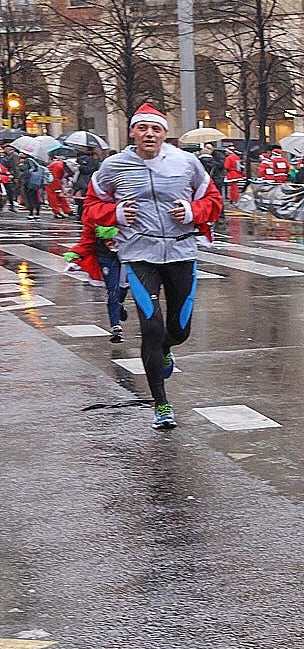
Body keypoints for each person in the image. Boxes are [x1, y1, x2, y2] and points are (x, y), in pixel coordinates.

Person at [89, 105, 222, 429]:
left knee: (178, 330)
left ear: (165, 133)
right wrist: (117, 214)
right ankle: (161, 405)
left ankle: (166, 349)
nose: (149, 134)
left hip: (180, 252)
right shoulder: (114, 166)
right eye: (143, 128)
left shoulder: (185, 162)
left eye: (156, 129)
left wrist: (192, 211)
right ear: (132, 132)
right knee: (150, 327)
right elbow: (92, 206)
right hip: (138, 253)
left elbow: (214, 202)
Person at [62, 183, 127, 341]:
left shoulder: (130, 207)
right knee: (112, 290)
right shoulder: (94, 212)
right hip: (106, 256)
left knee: (122, 289)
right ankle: (115, 326)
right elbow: (87, 239)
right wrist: (76, 255)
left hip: (129, 256)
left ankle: (119, 305)